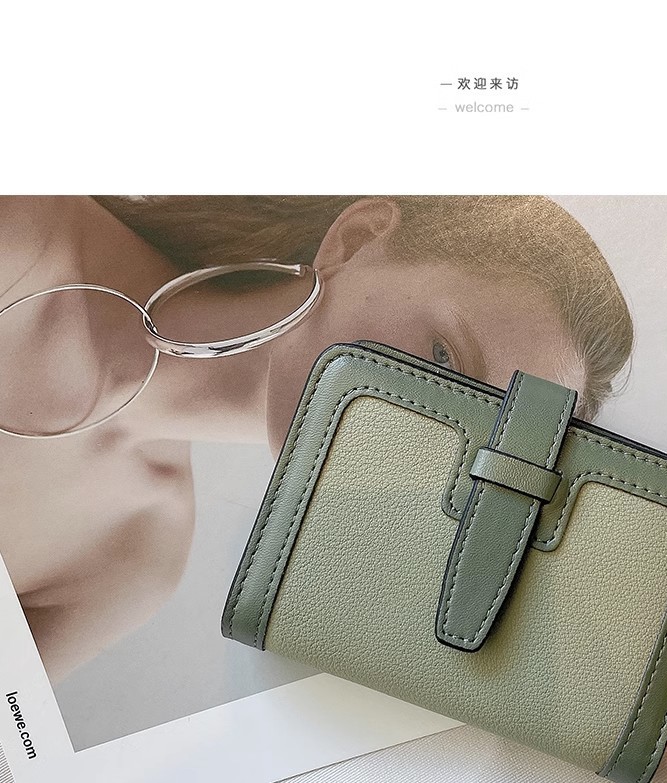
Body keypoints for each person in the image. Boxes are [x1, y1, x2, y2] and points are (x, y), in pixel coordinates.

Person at [0, 195, 633, 681]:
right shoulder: (23, 229)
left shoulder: (133, 562)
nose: (421, 431)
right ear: (357, 240)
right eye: (442, 358)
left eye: (473, 441)